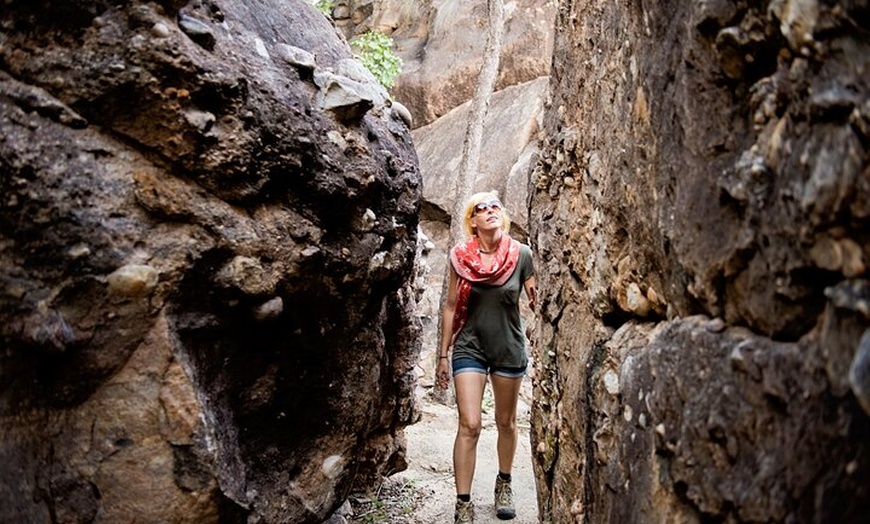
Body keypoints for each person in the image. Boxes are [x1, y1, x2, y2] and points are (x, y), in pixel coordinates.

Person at [436, 191, 537, 523]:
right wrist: (443, 354)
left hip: (508, 347)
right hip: (470, 347)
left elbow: (538, 299)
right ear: (473, 220)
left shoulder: (522, 255)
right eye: (483, 208)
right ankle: (463, 501)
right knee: (470, 423)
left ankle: (504, 482)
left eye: (496, 207)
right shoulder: (460, 257)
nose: (491, 211)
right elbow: (451, 306)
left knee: (506, 422)